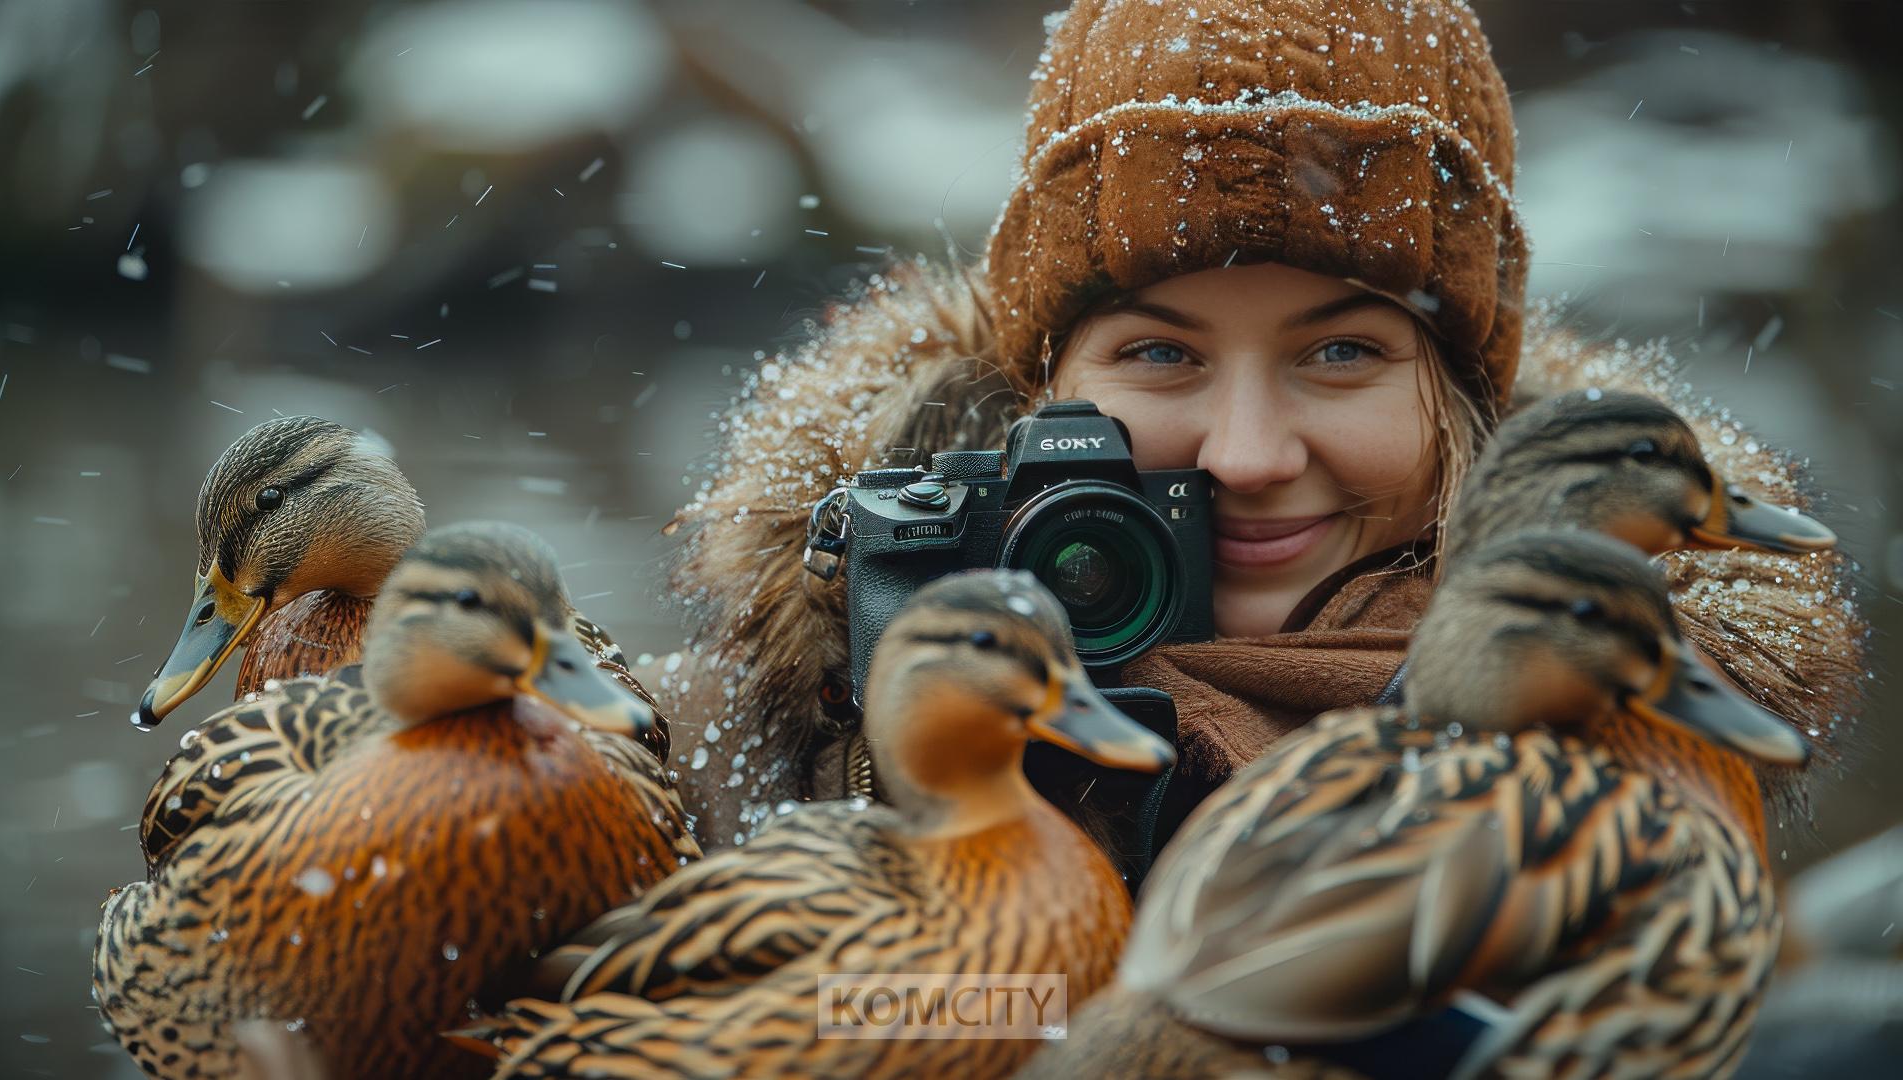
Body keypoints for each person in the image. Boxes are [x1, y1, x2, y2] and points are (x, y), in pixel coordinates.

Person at [650, 0, 1866, 857]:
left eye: (1341, 353)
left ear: (1464, 414)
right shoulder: (722, 753)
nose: (1245, 455)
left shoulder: (1640, 769)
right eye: (1159, 353)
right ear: (1036, 394)